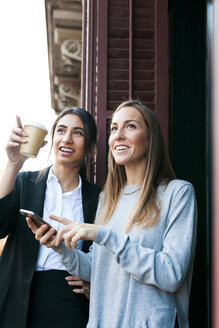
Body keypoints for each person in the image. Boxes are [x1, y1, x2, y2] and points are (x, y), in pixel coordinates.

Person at [27, 100, 197, 328]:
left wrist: (104, 235)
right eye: (114, 128)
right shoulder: (108, 199)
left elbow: (171, 273)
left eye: (131, 126)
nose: (118, 135)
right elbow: (96, 270)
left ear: (151, 137)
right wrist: (59, 245)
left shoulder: (178, 193)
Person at [0, 107, 101, 328]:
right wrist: (13, 164)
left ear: (90, 147)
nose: (67, 139)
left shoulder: (98, 199)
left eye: (78, 133)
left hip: (72, 302)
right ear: (51, 138)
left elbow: (102, 257)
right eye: (61, 130)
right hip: (20, 297)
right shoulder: (24, 183)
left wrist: (95, 286)